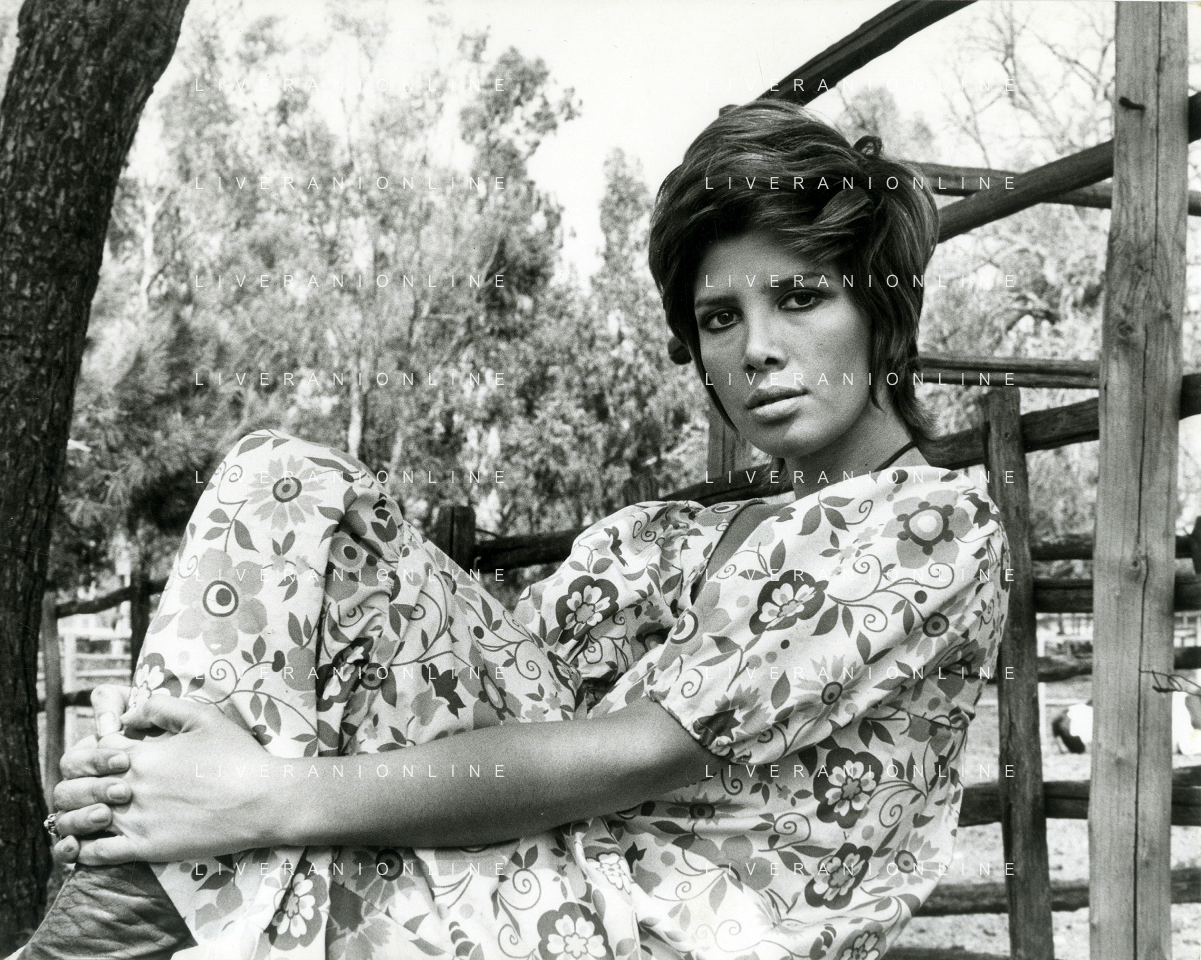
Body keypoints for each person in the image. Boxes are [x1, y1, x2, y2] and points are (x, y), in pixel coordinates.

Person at [15, 99, 1010, 960]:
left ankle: (121, 897)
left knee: (220, 821)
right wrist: (165, 760)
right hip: (530, 869)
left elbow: (630, 755)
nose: (756, 348)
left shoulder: (928, 525)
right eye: (718, 317)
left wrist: (260, 796)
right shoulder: (658, 541)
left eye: (800, 297)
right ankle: (130, 861)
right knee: (282, 481)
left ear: (883, 317)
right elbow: (466, 705)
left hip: (661, 928)